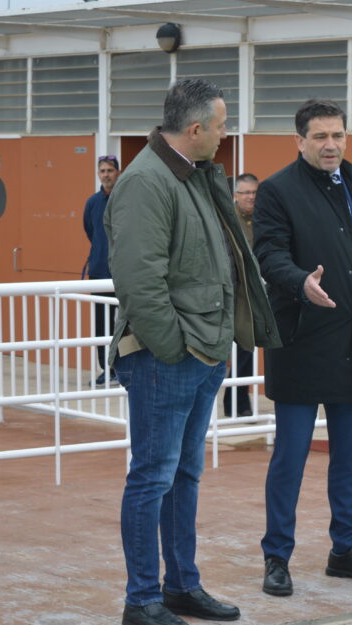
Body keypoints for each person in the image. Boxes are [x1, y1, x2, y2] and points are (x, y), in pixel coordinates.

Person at [105, 78, 280, 625]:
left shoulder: (196, 176)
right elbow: (139, 281)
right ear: (196, 128)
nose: (227, 135)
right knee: (152, 476)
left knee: (183, 475)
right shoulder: (146, 183)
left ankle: (181, 585)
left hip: (203, 351)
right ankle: (142, 600)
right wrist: (175, 349)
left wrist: (208, 346)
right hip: (169, 358)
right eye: (223, 125)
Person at [253, 98, 352, 597]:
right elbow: (267, 253)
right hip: (301, 339)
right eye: (319, 137)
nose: (330, 144)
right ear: (300, 141)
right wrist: (299, 283)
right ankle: (277, 556)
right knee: (290, 456)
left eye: (337, 135)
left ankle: (347, 549)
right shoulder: (276, 191)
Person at [83, 154, 121, 386]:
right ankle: (106, 368)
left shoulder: (126, 200)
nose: (106, 174)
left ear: (118, 172)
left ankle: (123, 368)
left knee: (125, 324)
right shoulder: (93, 202)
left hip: (123, 274)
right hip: (98, 272)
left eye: (110, 170)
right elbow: (90, 230)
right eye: (102, 171)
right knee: (101, 325)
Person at [224, 173, 259, 417]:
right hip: (233, 294)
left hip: (256, 294)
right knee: (237, 351)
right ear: (235, 195)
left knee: (246, 351)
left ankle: (239, 404)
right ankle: (234, 404)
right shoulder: (227, 220)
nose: (250, 197)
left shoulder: (262, 219)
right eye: (245, 193)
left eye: (254, 193)